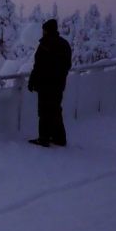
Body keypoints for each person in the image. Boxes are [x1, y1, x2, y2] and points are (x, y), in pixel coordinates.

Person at [27, 18, 72, 147]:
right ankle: (59, 138)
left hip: (45, 85)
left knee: (44, 111)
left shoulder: (45, 45)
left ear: (46, 30)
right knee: (55, 110)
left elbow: (38, 66)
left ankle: (44, 138)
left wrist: (32, 81)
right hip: (58, 85)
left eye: (44, 30)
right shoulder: (64, 44)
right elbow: (67, 65)